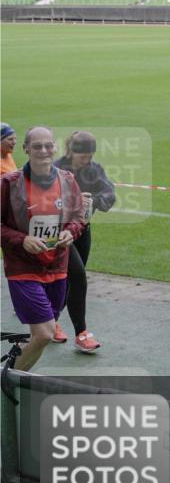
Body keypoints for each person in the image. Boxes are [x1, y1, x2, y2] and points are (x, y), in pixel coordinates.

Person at [0, 126, 85, 371]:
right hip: (22, 269)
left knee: (41, 336)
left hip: (58, 267)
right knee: (45, 334)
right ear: (26, 149)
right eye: (37, 146)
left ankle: (14, 378)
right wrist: (21, 239)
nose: (44, 150)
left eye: (48, 145)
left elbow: (78, 216)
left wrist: (71, 231)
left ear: (55, 147)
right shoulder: (8, 184)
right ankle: (7, 381)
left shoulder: (67, 180)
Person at [51, 131, 116, 352]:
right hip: (60, 234)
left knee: (68, 280)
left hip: (82, 231)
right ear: (71, 151)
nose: (86, 161)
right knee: (78, 277)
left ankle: (51, 322)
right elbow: (44, 199)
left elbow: (110, 195)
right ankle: (81, 333)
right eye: (82, 156)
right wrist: (75, 201)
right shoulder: (56, 168)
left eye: (89, 156)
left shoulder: (94, 170)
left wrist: (95, 200)